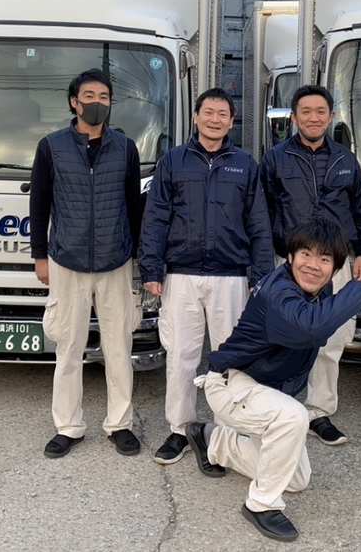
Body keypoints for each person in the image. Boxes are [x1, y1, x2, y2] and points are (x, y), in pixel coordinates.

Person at [185, 216, 361, 542]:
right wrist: (356, 291)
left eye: (324, 259)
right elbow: (309, 328)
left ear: (334, 268)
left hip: (264, 390)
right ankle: (261, 505)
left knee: (296, 480)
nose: (312, 265)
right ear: (290, 256)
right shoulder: (279, 290)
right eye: (306, 254)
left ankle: (211, 441)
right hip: (231, 383)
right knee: (294, 416)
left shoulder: (321, 291)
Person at [139, 87, 274, 466]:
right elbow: (156, 217)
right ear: (196, 117)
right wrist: (151, 268)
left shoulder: (245, 164)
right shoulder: (173, 161)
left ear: (232, 122)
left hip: (230, 277)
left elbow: (258, 222)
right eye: (208, 112)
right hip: (181, 275)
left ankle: (225, 433)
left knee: (230, 359)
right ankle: (180, 429)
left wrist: (261, 275)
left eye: (222, 114)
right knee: (180, 356)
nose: (215, 119)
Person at [30, 68, 143, 459]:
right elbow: (40, 203)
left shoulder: (125, 148)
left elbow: (133, 207)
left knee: (119, 347)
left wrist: (138, 257)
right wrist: (40, 255)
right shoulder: (51, 147)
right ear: (74, 102)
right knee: (68, 347)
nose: (98, 103)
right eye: (90, 96)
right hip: (67, 259)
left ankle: (120, 424)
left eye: (105, 97)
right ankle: (68, 426)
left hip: (116, 260)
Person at [260, 85, 361, 446]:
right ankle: (277, 409)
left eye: (320, 111)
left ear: (331, 116)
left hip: (336, 263)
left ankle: (319, 412)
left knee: (331, 339)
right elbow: (261, 213)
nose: (314, 118)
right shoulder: (275, 159)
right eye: (306, 112)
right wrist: (266, 262)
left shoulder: (345, 160)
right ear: (294, 118)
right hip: (290, 262)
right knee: (282, 337)